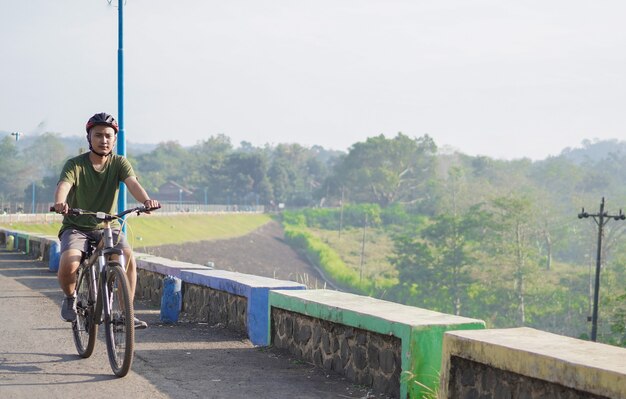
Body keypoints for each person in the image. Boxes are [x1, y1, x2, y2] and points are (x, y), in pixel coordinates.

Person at [52, 112, 160, 329]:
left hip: (107, 226)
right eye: (98, 135)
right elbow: (64, 185)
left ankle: (125, 314)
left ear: (114, 139)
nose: (104, 140)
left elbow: (133, 184)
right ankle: (70, 297)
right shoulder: (75, 165)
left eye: (108, 136)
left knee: (126, 257)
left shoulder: (119, 163)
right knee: (69, 262)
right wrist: (61, 203)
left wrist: (147, 201)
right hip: (76, 226)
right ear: (89, 138)